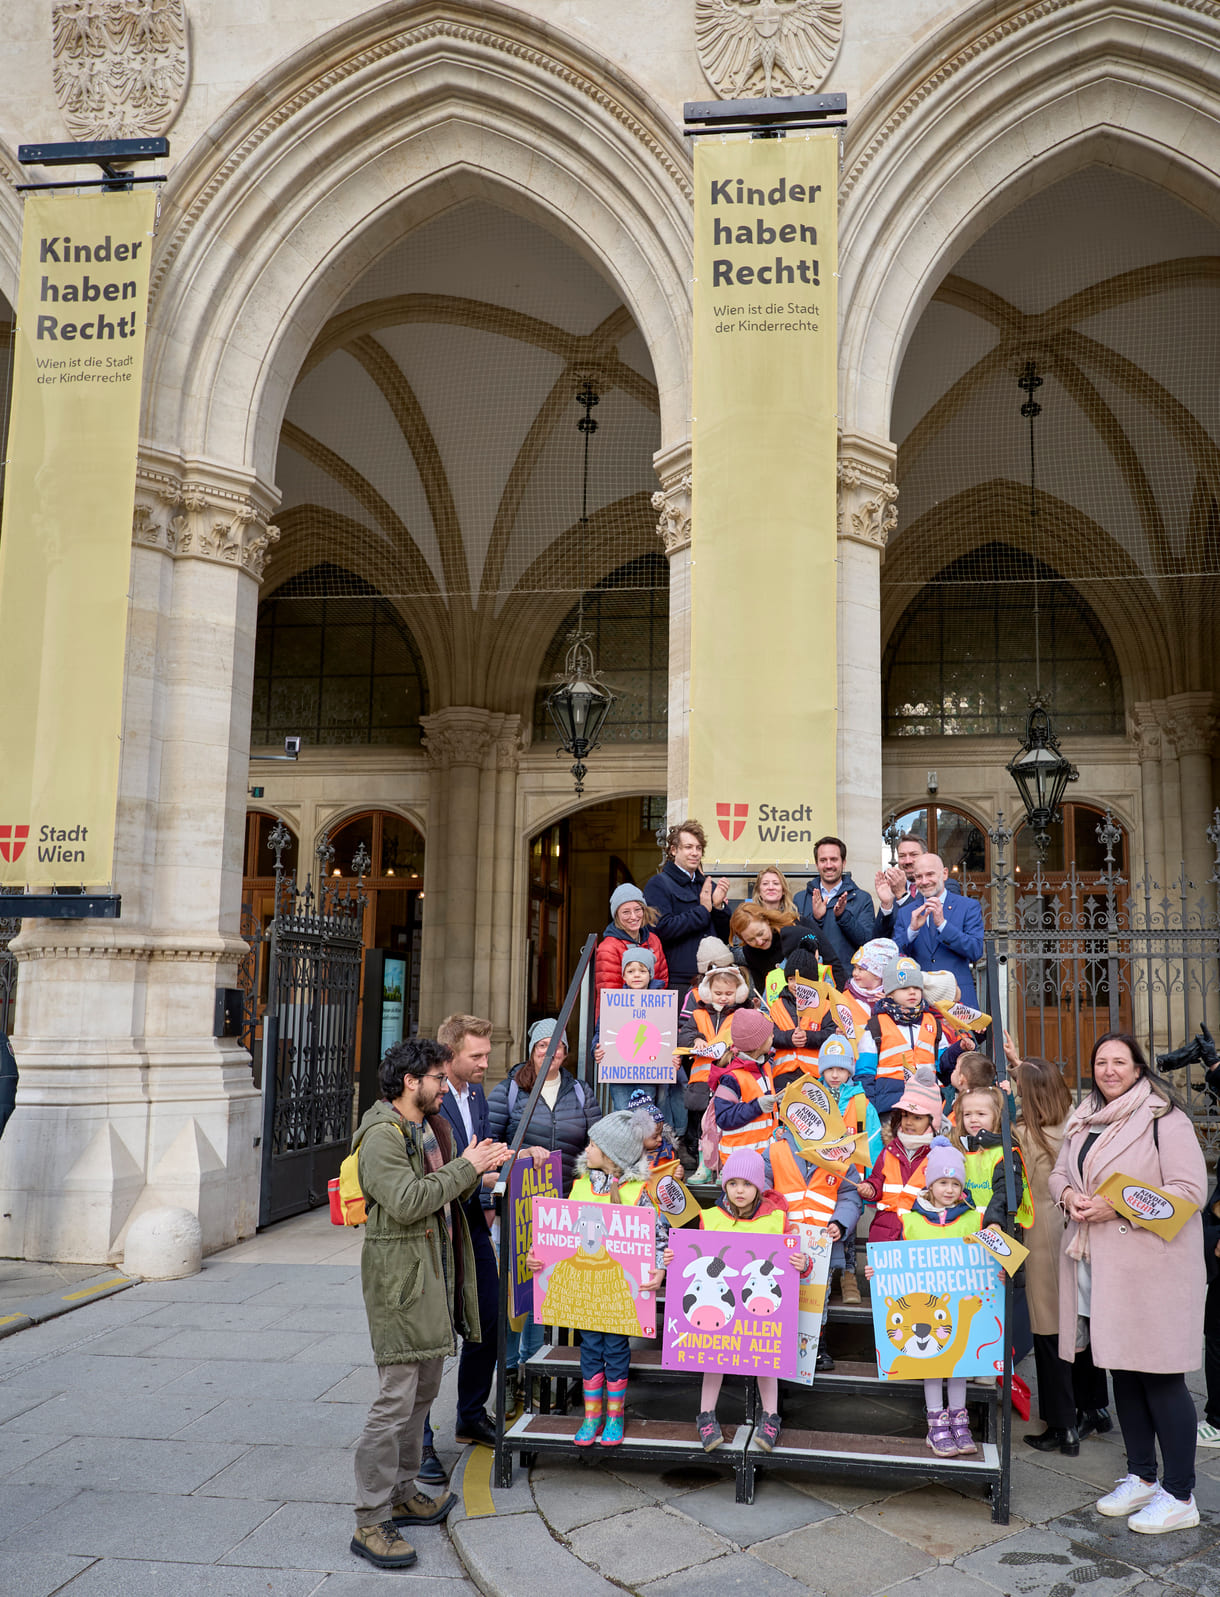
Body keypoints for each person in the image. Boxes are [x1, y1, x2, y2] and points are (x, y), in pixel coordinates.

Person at [350, 1037, 509, 1570]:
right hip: (401, 1288)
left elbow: (440, 1194)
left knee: (421, 1396)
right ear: (411, 1082)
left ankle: (402, 1492)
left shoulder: (418, 1128)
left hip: (428, 1282)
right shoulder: (381, 1135)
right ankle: (371, 1520)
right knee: (394, 1405)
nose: (447, 1087)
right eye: (439, 1078)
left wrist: (479, 1170)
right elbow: (408, 1201)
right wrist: (466, 1166)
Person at [1049, 1032, 1208, 1533]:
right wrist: (1069, 1196)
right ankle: (1141, 1476)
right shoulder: (1083, 1118)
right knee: (1123, 1372)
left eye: (1120, 1061)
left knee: (1160, 1378)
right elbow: (1058, 1173)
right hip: (1101, 1268)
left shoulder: (1165, 1118)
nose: (1109, 1069)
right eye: (1101, 1061)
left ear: (1139, 1068)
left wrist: (1117, 1204)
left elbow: (1189, 1191)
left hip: (1152, 1269)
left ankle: (1180, 1493)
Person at [528, 1109, 664, 1448]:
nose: (586, 1149)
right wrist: (538, 1256)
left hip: (617, 1292)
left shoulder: (638, 1194)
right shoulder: (579, 1187)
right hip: (585, 1290)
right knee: (589, 1348)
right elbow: (557, 1236)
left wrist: (659, 1269)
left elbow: (659, 1238)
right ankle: (592, 1416)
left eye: (593, 1144)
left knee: (616, 1350)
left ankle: (614, 1416)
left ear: (612, 1156)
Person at [487, 1018, 602, 1390]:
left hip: (564, 1209)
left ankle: (532, 1368)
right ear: (532, 1051)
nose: (550, 1053)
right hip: (518, 1209)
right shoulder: (509, 1091)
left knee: (542, 1289)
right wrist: (521, 1152)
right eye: (542, 1046)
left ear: (566, 1054)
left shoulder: (581, 1091)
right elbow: (488, 1148)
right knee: (511, 1292)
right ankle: (507, 1371)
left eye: (558, 1047)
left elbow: (597, 1144)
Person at [676, 1149, 809, 1454]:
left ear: (758, 1187)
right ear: (724, 1185)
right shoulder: (710, 1218)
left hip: (760, 1308)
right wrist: (675, 1258)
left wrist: (803, 1264)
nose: (739, 1190)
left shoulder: (776, 1219)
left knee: (767, 1354)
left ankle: (771, 1415)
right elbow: (694, 1257)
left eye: (747, 1184)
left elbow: (795, 1265)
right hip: (719, 1306)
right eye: (733, 1183)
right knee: (713, 1352)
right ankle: (706, 1414)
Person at [417, 1016, 501, 1486]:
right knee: (431, 1335)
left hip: (471, 1220)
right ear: (449, 1057)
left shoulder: (477, 1093)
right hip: (436, 1227)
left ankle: (470, 1414)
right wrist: (481, 1173)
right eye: (476, 1056)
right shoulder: (430, 1101)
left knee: (488, 1315)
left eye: (487, 1055)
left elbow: (477, 1152)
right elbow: (442, 1170)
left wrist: (491, 1176)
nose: (485, 1064)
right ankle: (422, 1440)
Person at [1014, 1055, 1108, 1459]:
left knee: (1049, 1331)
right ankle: (1095, 1407)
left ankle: (1061, 1424)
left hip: (1043, 1236)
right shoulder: (1075, 1125)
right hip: (1080, 1230)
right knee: (1081, 1322)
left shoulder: (1023, 1134)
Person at [867, 1137, 981, 1457]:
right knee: (933, 1361)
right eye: (942, 1182)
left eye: (955, 1183)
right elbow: (899, 1261)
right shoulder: (912, 1220)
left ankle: (959, 1419)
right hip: (924, 1308)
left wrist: (996, 1273)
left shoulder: (973, 1219)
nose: (949, 1189)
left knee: (958, 1363)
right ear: (929, 1185)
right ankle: (936, 1423)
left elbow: (985, 1259)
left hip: (955, 1305)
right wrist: (880, 1274)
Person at [767, 1070, 863, 1342]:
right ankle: (781, 1347)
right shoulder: (775, 1150)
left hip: (823, 1244)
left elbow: (850, 1196)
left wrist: (840, 1223)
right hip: (784, 1241)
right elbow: (760, 1187)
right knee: (779, 1296)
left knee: (816, 1303)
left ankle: (812, 1350)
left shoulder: (840, 1155)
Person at [678, 940, 751, 1180]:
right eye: (718, 993)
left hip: (728, 1081)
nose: (723, 998)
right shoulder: (698, 1014)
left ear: (738, 993)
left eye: (729, 994)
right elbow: (685, 1034)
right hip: (701, 1081)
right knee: (702, 1128)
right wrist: (696, 1039)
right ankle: (704, 1166)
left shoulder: (743, 1014)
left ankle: (723, 1167)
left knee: (726, 1126)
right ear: (709, 992)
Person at [817, 1034, 882, 1305]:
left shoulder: (862, 1104)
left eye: (841, 1069)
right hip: (819, 1178)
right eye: (830, 1068)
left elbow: (874, 1142)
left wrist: (869, 1181)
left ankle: (848, 1276)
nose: (834, 1074)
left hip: (850, 1180)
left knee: (848, 1226)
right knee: (823, 1227)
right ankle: (825, 1275)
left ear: (849, 1071)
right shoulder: (812, 1098)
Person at [596, 946, 687, 1138]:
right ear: (624, 976)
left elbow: (669, 1036)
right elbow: (601, 1033)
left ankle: (650, 1157)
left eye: (642, 970)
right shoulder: (613, 1002)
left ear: (651, 973)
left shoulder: (664, 1002)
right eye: (630, 971)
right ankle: (626, 1156)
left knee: (648, 1115)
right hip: (619, 1072)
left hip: (649, 1073)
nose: (636, 975)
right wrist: (595, 1049)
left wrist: (674, 1055)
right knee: (623, 1114)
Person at [881, 853, 985, 1007]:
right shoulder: (906, 912)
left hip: (958, 1000)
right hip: (918, 1002)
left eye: (930, 874)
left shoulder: (968, 906)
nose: (924, 881)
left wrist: (943, 925)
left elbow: (975, 951)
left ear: (944, 874)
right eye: (918, 877)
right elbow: (894, 955)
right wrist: (912, 931)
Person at [643, 820, 731, 997]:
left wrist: (718, 907)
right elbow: (662, 929)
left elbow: (725, 936)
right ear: (674, 850)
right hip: (679, 981)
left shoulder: (708, 885)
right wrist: (703, 910)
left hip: (713, 978)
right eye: (688, 847)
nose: (695, 853)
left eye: (698, 848)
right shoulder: (658, 884)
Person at [855, 1065, 941, 1243]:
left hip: (922, 1232)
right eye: (905, 1115)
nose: (909, 1122)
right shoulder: (890, 1150)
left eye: (917, 1117)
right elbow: (878, 1180)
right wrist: (870, 1189)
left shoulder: (939, 1154)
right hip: (886, 1233)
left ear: (932, 1121)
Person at [855, 956, 949, 1115]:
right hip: (889, 1108)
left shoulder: (933, 1023)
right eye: (905, 988)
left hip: (928, 1105)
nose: (912, 992)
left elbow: (945, 1065)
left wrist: (961, 1048)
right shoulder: (875, 1026)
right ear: (890, 993)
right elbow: (865, 1073)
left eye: (917, 987)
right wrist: (870, 1110)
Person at [949, 1087, 1030, 1233]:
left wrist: (994, 1221)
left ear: (997, 1116)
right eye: (967, 1114)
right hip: (966, 1227)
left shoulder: (1005, 1152)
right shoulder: (959, 1148)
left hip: (998, 1228)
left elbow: (1006, 1192)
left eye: (981, 1114)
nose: (973, 1119)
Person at [795, 836, 877, 970]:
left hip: (847, 980)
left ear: (843, 862)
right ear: (816, 864)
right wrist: (815, 919)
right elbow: (797, 944)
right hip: (811, 979)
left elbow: (866, 943)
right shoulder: (800, 899)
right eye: (823, 860)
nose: (828, 865)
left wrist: (843, 916)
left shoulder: (862, 899)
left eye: (834, 859)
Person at [711, 1007, 779, 1166]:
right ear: (757, 1043)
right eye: (769, 1035)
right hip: (739, 1162)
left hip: (764, 1155)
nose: (773, 1037)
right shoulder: (731, 1077)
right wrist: (758, 1106)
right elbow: (723, 1118)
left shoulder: (764, 1066)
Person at [766, 943, 841, 1087]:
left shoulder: (825, 1005)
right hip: (783, 1074)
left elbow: (831, 1034)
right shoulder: (777, 1006)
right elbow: (771, 1035)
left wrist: (808, 1037)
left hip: (816, 1073)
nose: (795, 984)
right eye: (791, 979)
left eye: (800, 979)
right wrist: (789, 1038)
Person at [594, 883, 668, 998]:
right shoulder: (608, 948)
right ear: (616, 915)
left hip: (651, 1013)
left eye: (637, 910)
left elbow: (663, 981)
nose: (633, 917)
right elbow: (610, 996)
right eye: (626, 912)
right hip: (618, 1014)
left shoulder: (653, 940)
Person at [730, 902, 807, 996]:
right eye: (750, 940)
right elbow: (762, 988)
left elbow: (828, 959)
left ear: (766, 921)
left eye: (760, 933)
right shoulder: (750, 952)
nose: (759, 942)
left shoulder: (795, 927)